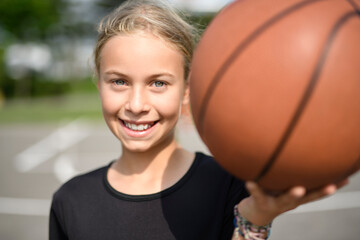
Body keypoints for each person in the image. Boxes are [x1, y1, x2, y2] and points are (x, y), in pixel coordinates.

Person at [49, 0, 348, 239]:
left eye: (158, 83)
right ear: (98, 84)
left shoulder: (230, 185)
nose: (136, 105)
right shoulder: (71, 201)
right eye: (119, 82)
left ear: (188, 91)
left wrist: (256, 218)